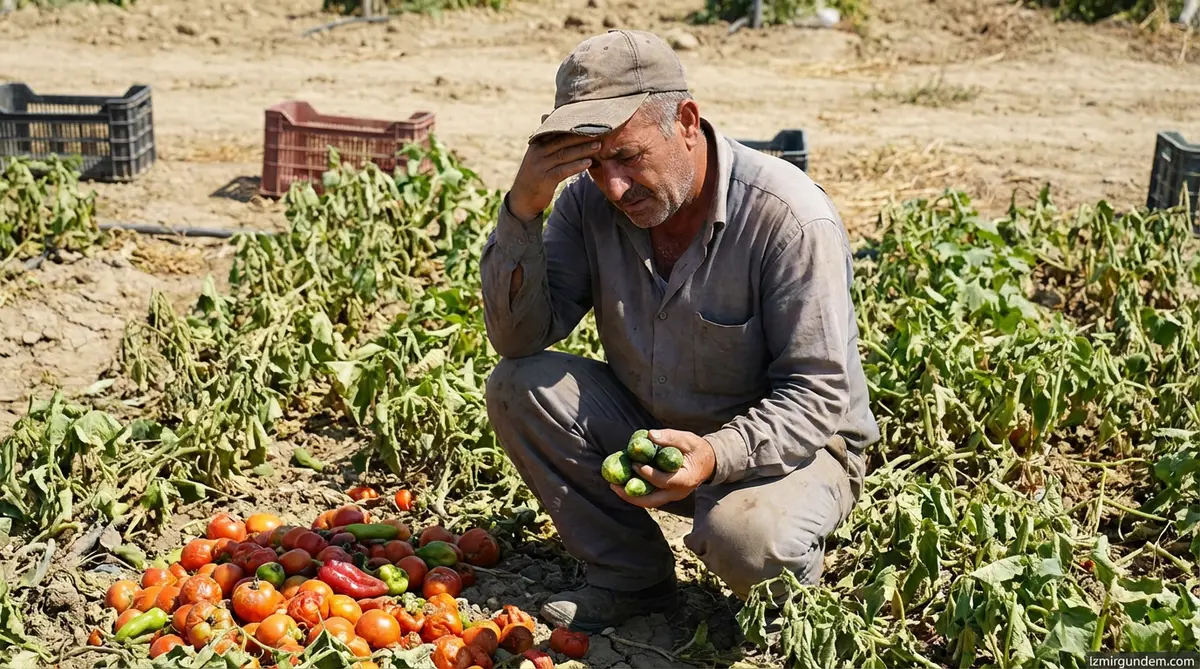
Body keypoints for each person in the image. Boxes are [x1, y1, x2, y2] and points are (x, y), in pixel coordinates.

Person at [479, 29, 879, 632]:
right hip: (661, 430)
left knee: (746, 538)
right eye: (590, 164)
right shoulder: (590, 205)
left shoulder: (788, 218)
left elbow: (818, 395)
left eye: (627, 157)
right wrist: (523, 211)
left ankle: (787, 608)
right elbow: (519, 339)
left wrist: (717, 454)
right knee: (522, 383)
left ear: (686, 121)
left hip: (791, 449)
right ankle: (632, 582)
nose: (612, 187)